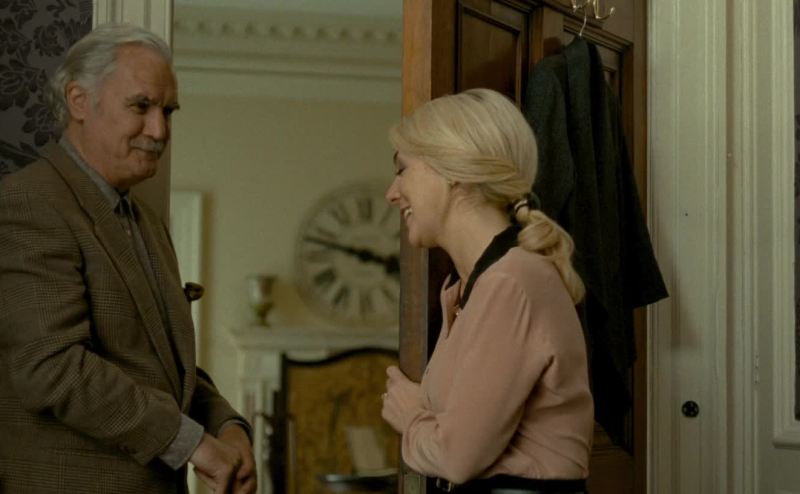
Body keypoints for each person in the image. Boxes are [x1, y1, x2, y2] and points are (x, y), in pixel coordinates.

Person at [0, 24, 256, 494]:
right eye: (141, 107)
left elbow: (163, 370)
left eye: (168, 111)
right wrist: (193, 444)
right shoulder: (29, 203)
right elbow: (52, 367)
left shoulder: (147, 221)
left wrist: (228, 427)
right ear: (79, 100)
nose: (159, 130)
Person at [381, 88, 594, 493]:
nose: (392, 193)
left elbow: (458, 458)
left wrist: (411, 417)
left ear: (452, 169)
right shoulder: (470, 287)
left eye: (402, 169)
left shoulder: (509, 281)